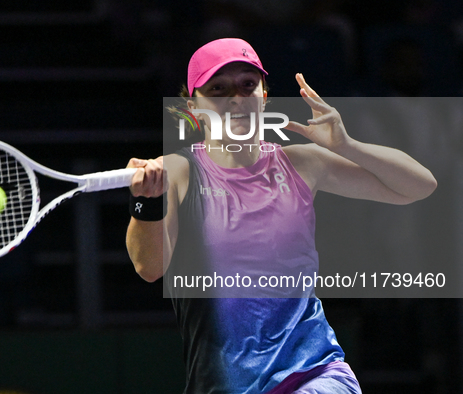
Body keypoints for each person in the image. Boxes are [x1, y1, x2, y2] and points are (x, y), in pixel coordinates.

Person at [125, 38, 437, 393]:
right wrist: (145, 203)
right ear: (193, 107)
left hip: (315, 373)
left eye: (247, 85)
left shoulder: (302, 163)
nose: (236, 98)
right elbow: (149, 267)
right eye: (218, 89)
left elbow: (419, 186)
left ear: (264, 96)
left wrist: (346, 145)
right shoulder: (178, 172)